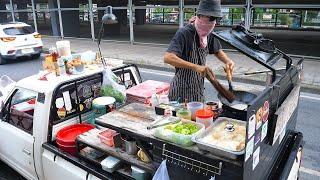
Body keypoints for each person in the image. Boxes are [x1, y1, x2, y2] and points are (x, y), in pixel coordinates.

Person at [164, 0, 235, 102]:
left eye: (215, 19)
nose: (213, 22)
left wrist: (228, 61)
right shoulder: (184, 33)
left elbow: (217, 50)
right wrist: (195, 66)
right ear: (200, 15)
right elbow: (168, 57)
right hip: (181, 91)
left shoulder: (208, 33)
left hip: (197, 90)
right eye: (210, 18)